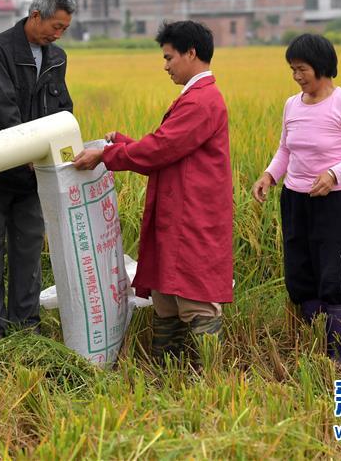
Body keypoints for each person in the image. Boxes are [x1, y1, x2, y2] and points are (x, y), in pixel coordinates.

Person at [72, 20, 233, 367]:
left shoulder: (202, 101)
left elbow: (161, 149)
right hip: (177, 214)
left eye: (169, 57)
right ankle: (168, 375)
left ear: (191, 53)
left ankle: (215, 379)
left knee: (194, 298)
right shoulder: (194, 98)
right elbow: (165, 151)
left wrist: (107, 155)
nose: (166, 66)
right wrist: (123, 145)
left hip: (191, 216)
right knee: (166, 297)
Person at [251, 34, 341, 362]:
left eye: (302, 69)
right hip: (295, 198)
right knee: (300, 270)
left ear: (321, 66)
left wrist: (333, 174)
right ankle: (312, 345)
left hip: (333, 201)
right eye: (292, 69)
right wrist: (269, 176)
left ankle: (338, 355)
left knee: (331, 272)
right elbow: (285, 149)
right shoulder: (292, 105)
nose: (297, 76)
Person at [0, 0, 76, 343]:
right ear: (35, 16)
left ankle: (26, 325)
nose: (58, 35)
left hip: (33, 177)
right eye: (56, 26)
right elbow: (2, 109)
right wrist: (28, 151)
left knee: (28, 250)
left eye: (64, 29)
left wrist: (60, 148)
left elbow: (62, 109)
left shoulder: (57, 57)